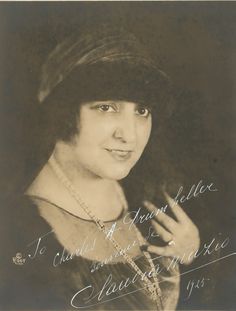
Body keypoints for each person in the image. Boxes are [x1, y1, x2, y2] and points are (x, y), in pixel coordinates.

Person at [5, 28, 200, 310]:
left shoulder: (149, 194)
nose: (130, 136)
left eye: (142, 110)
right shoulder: (21, 240)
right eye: (106, 107)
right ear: (63, 113)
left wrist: (188, 258)